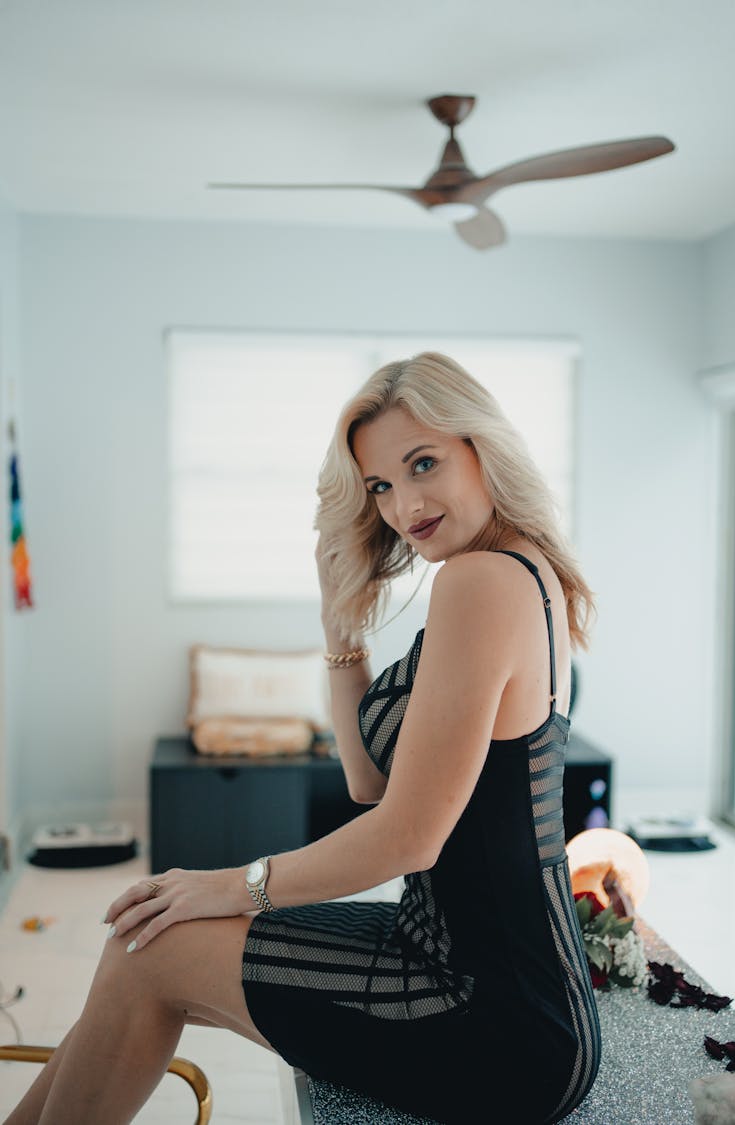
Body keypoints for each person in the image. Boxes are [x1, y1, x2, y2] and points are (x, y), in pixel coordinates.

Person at [4, 351, 601, 1125]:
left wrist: (226, 883)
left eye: (424, 464)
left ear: (484, 446)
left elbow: (408, 837)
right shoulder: (513, 570)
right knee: (141, 951)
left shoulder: (480, 582)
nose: (403, 504)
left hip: (491, 1013)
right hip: (461, 961)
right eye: (381, 485)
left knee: (145, 949)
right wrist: (338, 623)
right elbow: (367, 781)